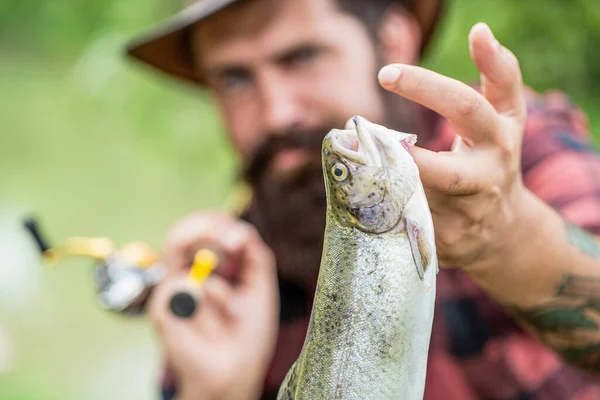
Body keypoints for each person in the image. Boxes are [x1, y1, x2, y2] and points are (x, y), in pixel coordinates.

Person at [125, 0, 600, 398]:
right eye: (234, 79)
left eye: (301, 57)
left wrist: (509, 238)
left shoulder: (516, 155)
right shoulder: (228, 284)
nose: (277, 113)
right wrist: (218, 393)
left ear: (394, 41)